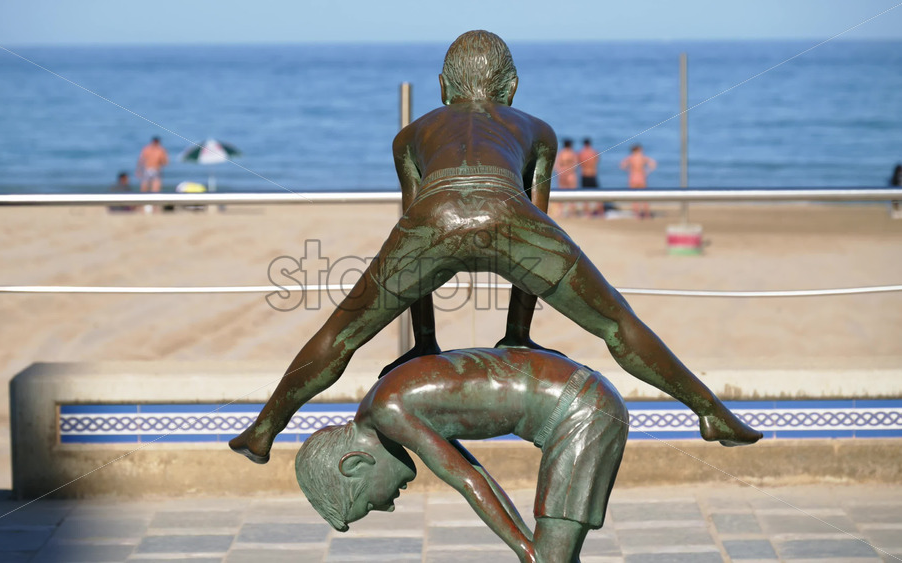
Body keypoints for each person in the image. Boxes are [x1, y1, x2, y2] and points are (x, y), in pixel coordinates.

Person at [229, 30, 760, 465]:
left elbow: (411, 223)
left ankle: (264, 429)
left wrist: (425, 342)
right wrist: (517, 335)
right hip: (509, 216)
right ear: (512, 88)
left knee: (339, 334)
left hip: (433, 219)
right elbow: (538, 222)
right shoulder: (537, 130)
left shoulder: (410, 135)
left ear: (442, 87)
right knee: (616, 323)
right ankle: (709, 411)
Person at [295, 347, 628, 563]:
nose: (389, 506)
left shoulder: (388, 412)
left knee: (551, 559)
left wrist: (526, 550)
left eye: (369, 504)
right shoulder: (385, 400)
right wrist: (526, 546)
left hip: (582, 414)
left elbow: (467, 481)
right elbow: (476, 475)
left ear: (354, 464)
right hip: (585, 399)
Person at [620, 144, 656, 219]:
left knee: (634, 197)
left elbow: (622, 165)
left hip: (633, 177)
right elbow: (653, 164)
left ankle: (637, 215)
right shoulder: (643, 158)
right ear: (638, 150)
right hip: (641, 177)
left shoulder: (631, 158)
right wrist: (647, 171)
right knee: (644, 197)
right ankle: (647, 214)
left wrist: (629, 170)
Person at [137, 136, 168, 213]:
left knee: (151, 189)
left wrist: (139, 170)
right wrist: (139, 170)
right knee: (148, 189)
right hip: (151, 169)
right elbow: (165, 162)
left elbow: (141, 160)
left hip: (151, 169)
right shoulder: (158, 150)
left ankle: (151, 207)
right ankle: (148, 207)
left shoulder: (150, 149)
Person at [550, 138, 579, 218]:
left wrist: (561, 172)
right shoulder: (572, 153)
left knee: (561, 192)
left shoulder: (561, 153)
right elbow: (575, 164)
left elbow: (557, 165)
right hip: (570, 174)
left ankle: (561, 211)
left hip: (562, 173)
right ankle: (571, 211)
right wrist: (568, 172)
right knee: (572, 193)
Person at [577, 138, 603, 217]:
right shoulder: (594, 152)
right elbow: (597, 161)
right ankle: (600, 211)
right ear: (590, 143)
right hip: (592, 174)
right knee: (597, 193)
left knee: (585, 194)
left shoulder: (581, 153)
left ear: (584, 144)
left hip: (584, 175)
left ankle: (587, 212)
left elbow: (579, 163)